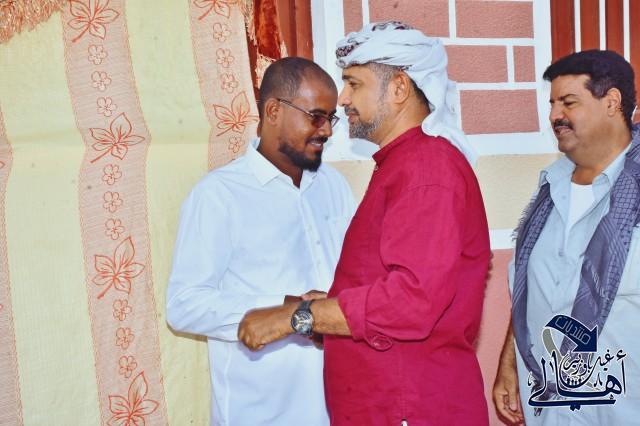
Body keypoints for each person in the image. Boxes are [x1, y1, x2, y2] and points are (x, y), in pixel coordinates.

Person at [238, 21, 491, 425]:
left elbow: (413, 302)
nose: (342, 99)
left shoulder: (427, 169)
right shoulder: (404, 164)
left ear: (399, 88)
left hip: (410, 408)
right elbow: (399, 284)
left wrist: (299, 315)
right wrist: (327, 305)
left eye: (354, 84)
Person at [166, 57, 355, 425]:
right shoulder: (219, 195)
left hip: (337, 404)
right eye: (316, 116)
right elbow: (184, 305)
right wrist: (287, 312)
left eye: (331, 119)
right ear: (273, 111)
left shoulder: (334, 186)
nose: (327, 131)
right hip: (260, 411)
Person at [493, 50, 640, 425]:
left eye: (569, 102)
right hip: (552, 409)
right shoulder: (551, 188)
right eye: (552, 104)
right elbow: (534, 288)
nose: (555, 115)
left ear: (612, 102)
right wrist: (510, 360)